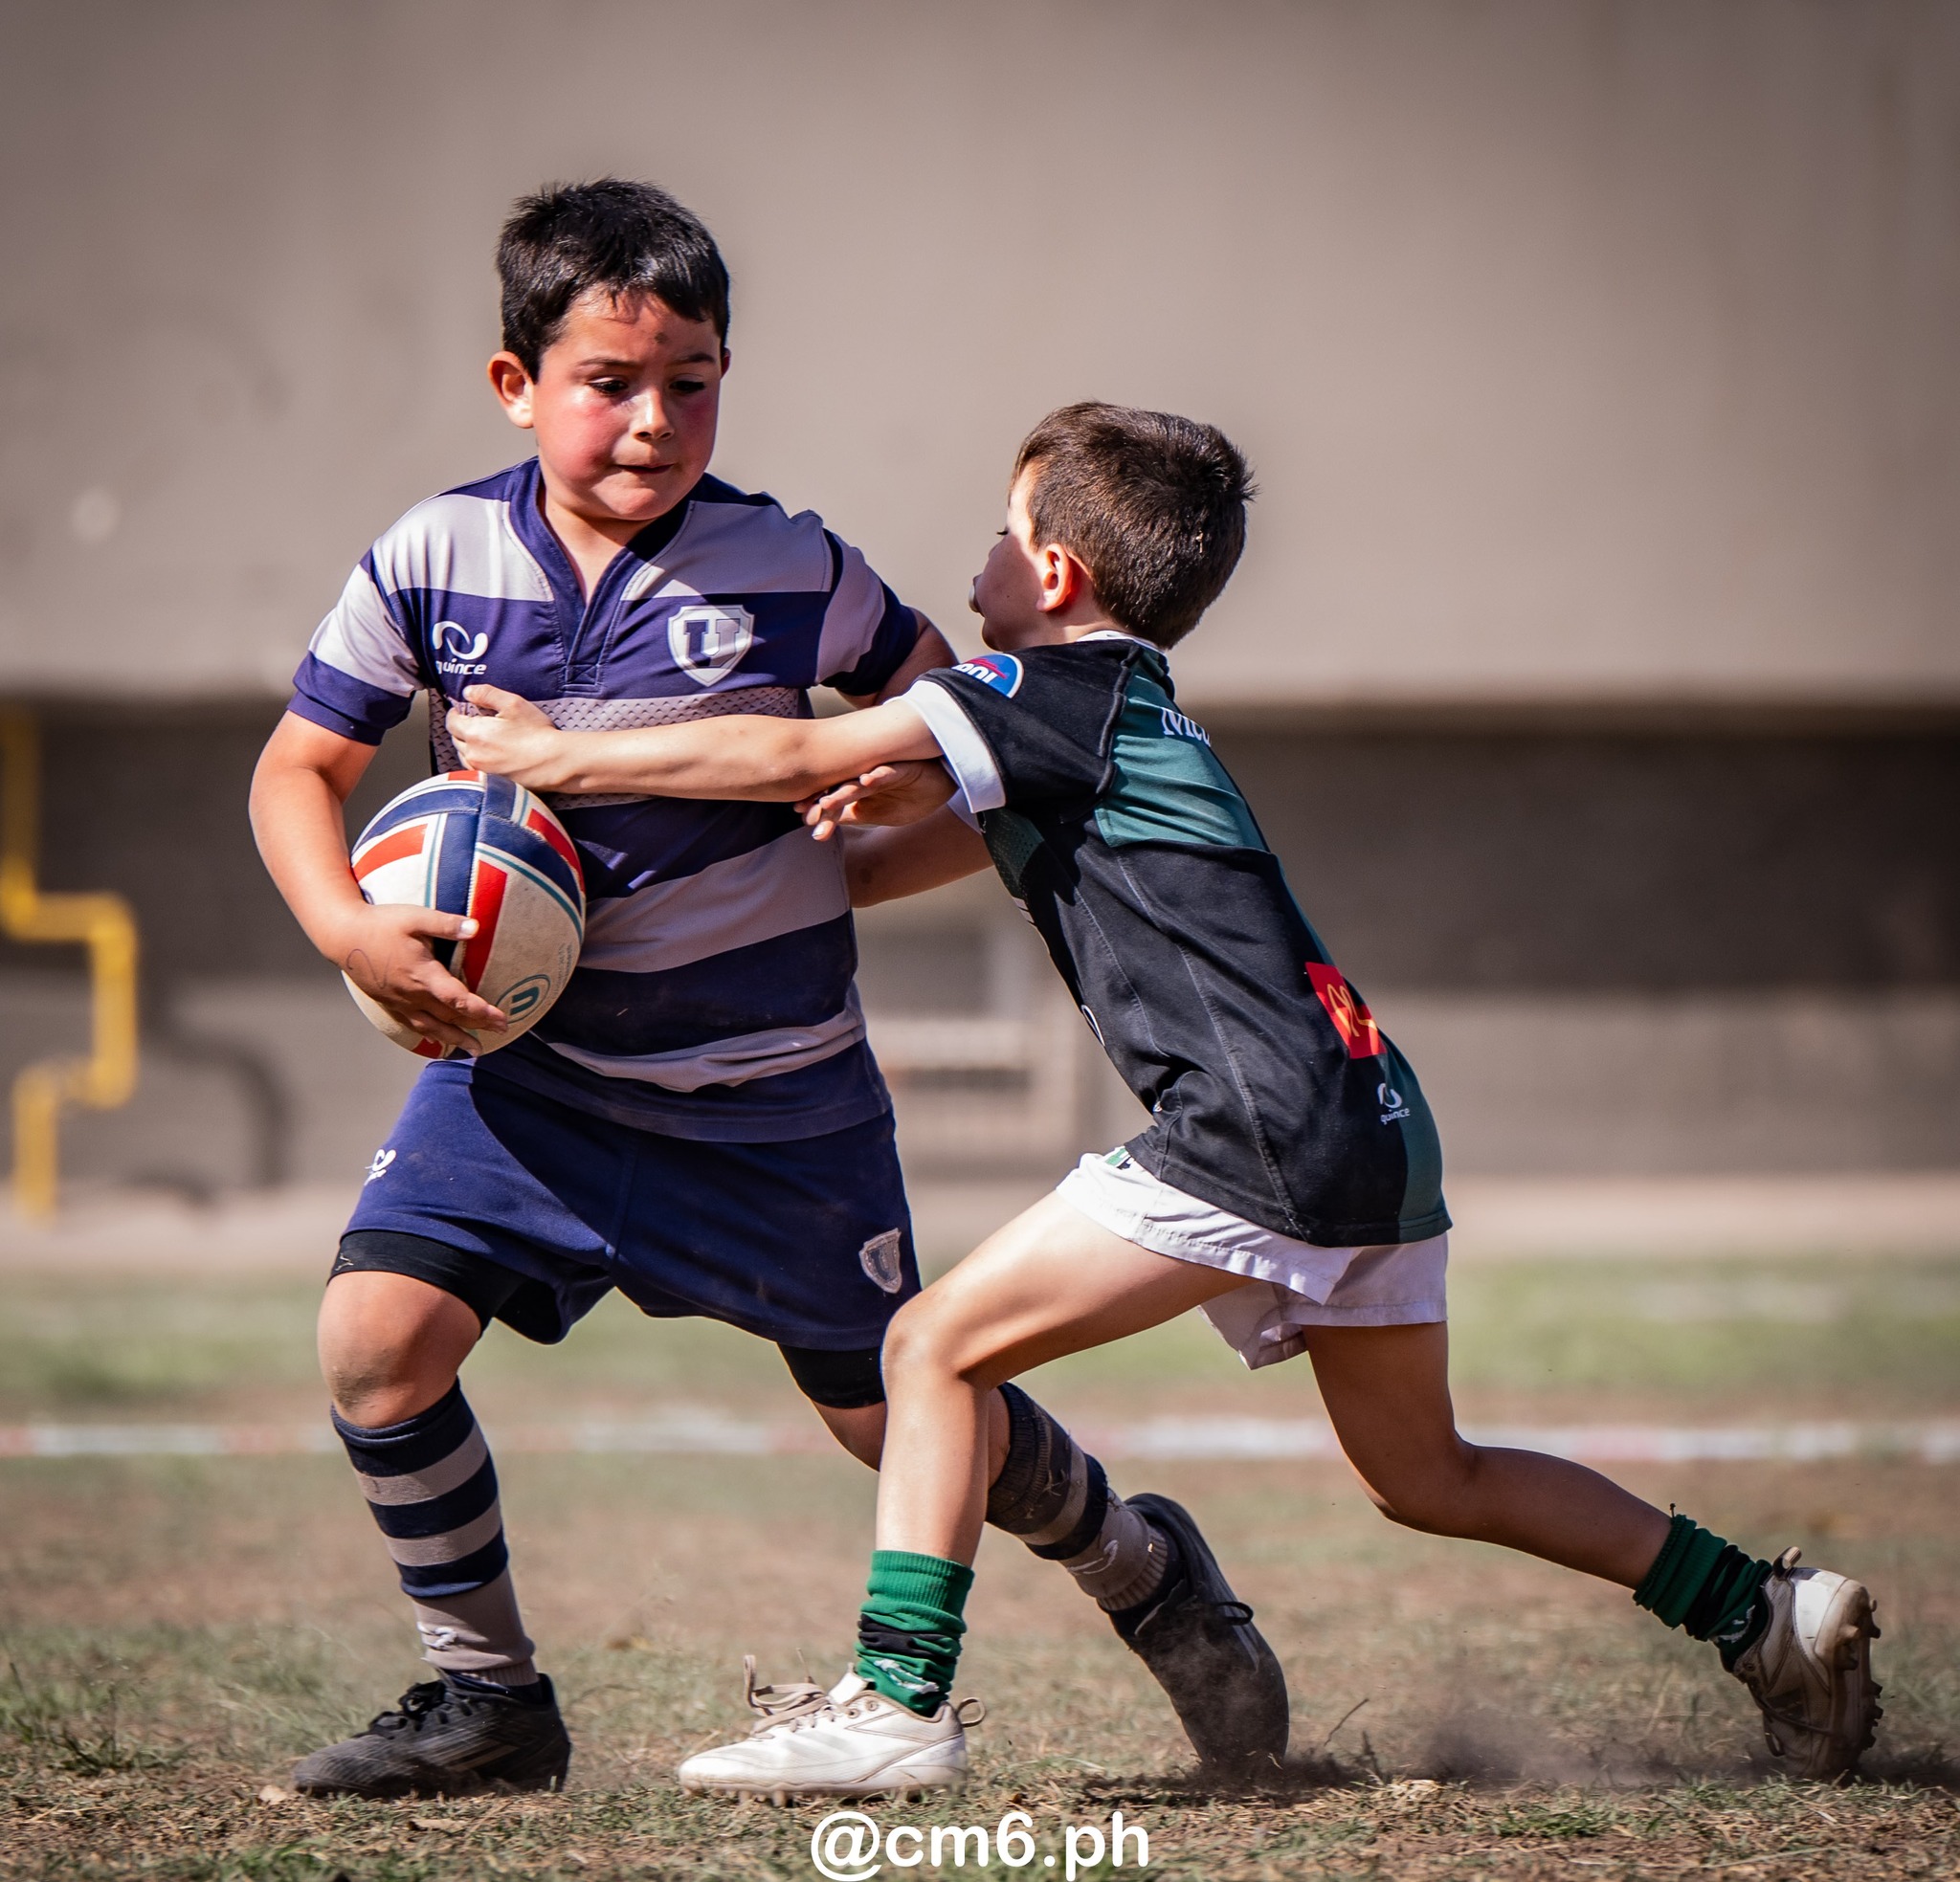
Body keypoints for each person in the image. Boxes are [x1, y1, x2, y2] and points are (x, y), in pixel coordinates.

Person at [453, 400, 1884, 1796]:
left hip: (1255, 1125)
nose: (980, 567)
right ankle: (1763, 1611)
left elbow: (791, 756)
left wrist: (556, 761)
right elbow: (872, 865)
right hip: (1373, 1117)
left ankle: (894, 1703)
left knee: (936, 1347)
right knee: (1427, 1475)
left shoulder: (1026, 693)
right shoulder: (1115, 718)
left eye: (1003, 536)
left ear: (1058, 574)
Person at [250, 188, 1283, 1799]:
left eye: (696, 377)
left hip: (776, 1103)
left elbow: (988, 759)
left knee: (896, 1423)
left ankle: (1142, 1568)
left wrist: (866, 857)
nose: (654, 418)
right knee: (374, 1346)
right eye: (610, 380)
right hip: (530, 1083)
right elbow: (296, 770)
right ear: (515, 384)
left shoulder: (794, 568)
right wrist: (345, 927)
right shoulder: (431, 556)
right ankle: (489, 1698)